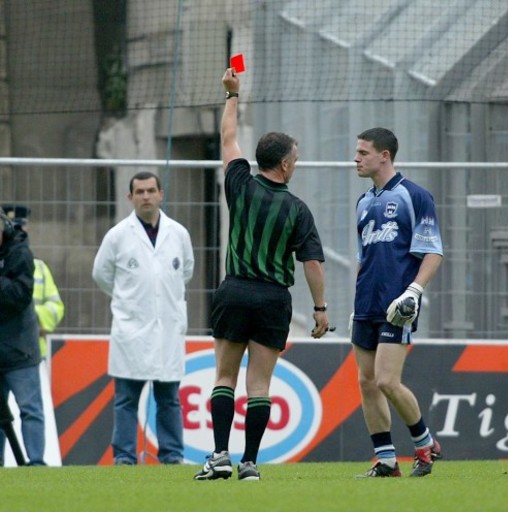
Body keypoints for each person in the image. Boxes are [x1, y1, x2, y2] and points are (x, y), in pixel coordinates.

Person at [194, 67, 330, 482]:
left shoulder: (239, 183)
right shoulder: (298, 210)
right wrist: (320, 309)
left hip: (234, 291)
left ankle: (219, 455)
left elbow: (228, 138)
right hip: (273, 298)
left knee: (223, 376)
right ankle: (250, 463)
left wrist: (232, 95)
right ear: (286, 165)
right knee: (260, 385)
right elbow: (311, 263)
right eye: (296, 159)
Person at [350, 127, 443, 478]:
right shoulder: (363, 202)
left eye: (363, 153)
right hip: (366, 303)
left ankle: (424, 446)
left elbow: (433, 252)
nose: (356, 159)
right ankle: (386, 461)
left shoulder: (414, 196)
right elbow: (364, 257)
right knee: (366, 382)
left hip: (396, 304)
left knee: (387, 380)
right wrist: (355, 304)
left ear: (384, 156)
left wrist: (414, 292)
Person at [92, 171, 195, 465]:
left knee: (169, 400)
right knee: (126, 400)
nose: (146, 196)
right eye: (140, 192)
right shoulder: (117, 236)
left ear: (161, 194)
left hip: (168, 331)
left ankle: (172, 456)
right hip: (131, 331)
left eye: (151, 190)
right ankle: (124, 457)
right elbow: (101, 275)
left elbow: (186, 271)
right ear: (130, 198)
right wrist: (129, 299)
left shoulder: (178, 234)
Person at [0, 207, 46, 466]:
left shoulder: (20, 253)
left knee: (30, 409)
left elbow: (18, 295)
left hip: (20, 349)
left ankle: (36, 462)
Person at [1, 204, 65, 359]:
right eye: (12, 227)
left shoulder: (40, 267)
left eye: (20, 227)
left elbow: (56, 307)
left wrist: (30, 319)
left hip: (32, 351)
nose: (16, 232)